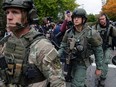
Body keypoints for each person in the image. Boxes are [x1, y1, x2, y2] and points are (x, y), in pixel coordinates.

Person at [0, 0, 66, 87]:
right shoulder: (6, 42)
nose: (9, 17)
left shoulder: (42, 46)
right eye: (7, 12)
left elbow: (58, 83)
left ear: (28, 16)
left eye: (15, 12)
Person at [58, 8, 103, 87]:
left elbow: (98, 50)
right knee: (73, 79)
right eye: (74, 17)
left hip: (82, 63)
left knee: (76, 84)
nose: (76, 19)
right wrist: (57, 56)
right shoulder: (68, 32)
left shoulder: (91, 33)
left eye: (78, 17)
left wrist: (99, 67)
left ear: (84, 19)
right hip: (70, 62)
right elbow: (63, 45)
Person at [92, 12, 116, 87]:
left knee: (105, 62)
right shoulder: (95, 27)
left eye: (103, 19)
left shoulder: (111, 27)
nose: (102, 20)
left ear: (106, 19)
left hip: (107, 48)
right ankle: (98, 75)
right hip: (98, 48)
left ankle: (103, 78)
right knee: (98, 62)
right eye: (100, 19)